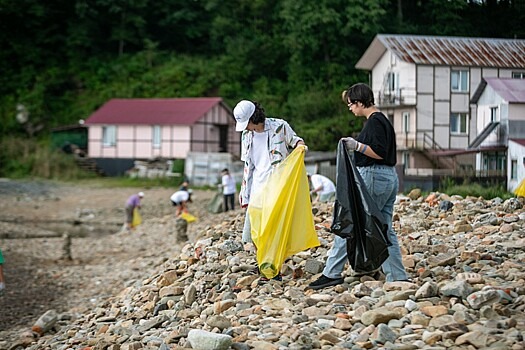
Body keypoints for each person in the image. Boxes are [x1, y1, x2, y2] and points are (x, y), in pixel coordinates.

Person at [308, 83, 409, 290]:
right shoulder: (383, 121)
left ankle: (332, 272)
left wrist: (357, 146)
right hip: (389, 176)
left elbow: (378, 152)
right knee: (383, 228)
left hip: (374, 176)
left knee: (350, 223)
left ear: (360, 102)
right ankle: (397, 275)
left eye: (351, 104)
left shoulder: (374, 122)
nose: (350, 108)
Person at [234, 99, 307, 283]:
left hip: (277, 187)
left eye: (247, 123)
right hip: (256, 188)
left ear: (254, 117)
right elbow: (248, 165)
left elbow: (297, 141)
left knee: (273, 228)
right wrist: (244, 192)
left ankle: (275, 270)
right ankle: (264, 265)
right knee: (255, 231)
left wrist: (300, 148)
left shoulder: (279, 126)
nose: (247, 128)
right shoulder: (246, 135)